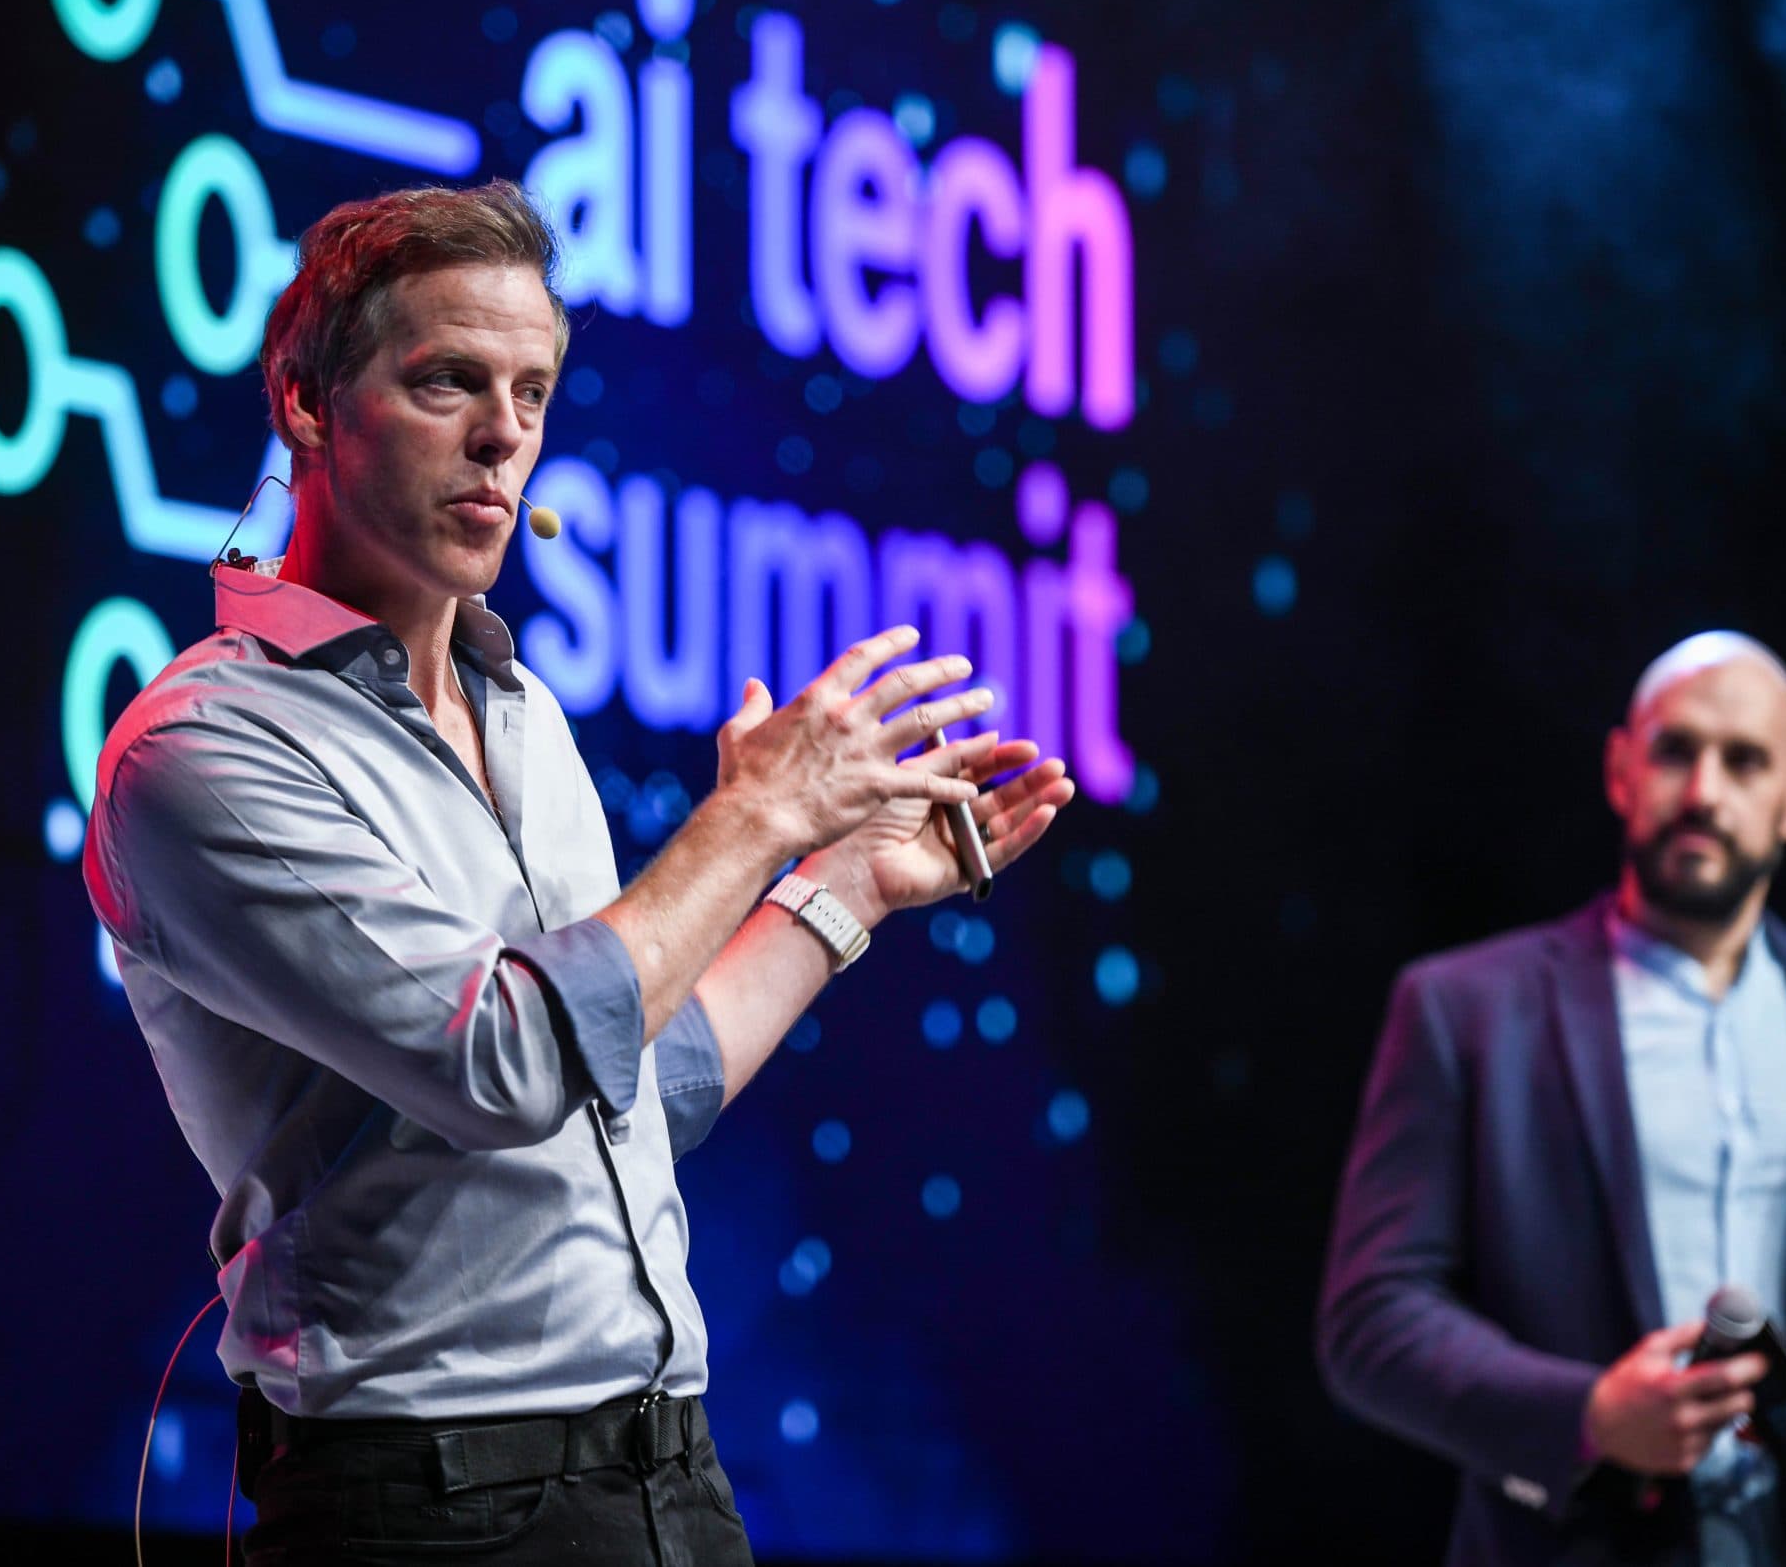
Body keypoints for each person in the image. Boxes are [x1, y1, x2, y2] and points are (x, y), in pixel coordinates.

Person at [82, 180, 1074, 1566]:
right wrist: (751, 815)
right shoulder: (202, 748)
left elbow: (627, 1092)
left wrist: (842, 885)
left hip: (667, 1477)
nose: (504, 435)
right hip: (434, 1513)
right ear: (306, 404)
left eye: (533, 392)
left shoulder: (522, 711)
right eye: (448, 380)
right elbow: (504, 1063)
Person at [1317, 632, 1786, 1566]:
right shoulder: (1467, 1013)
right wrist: (1586, 1414)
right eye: (1675, 751)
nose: (1703, 792)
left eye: (1745, 760)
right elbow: (1372, 1316)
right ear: (1620, 768)